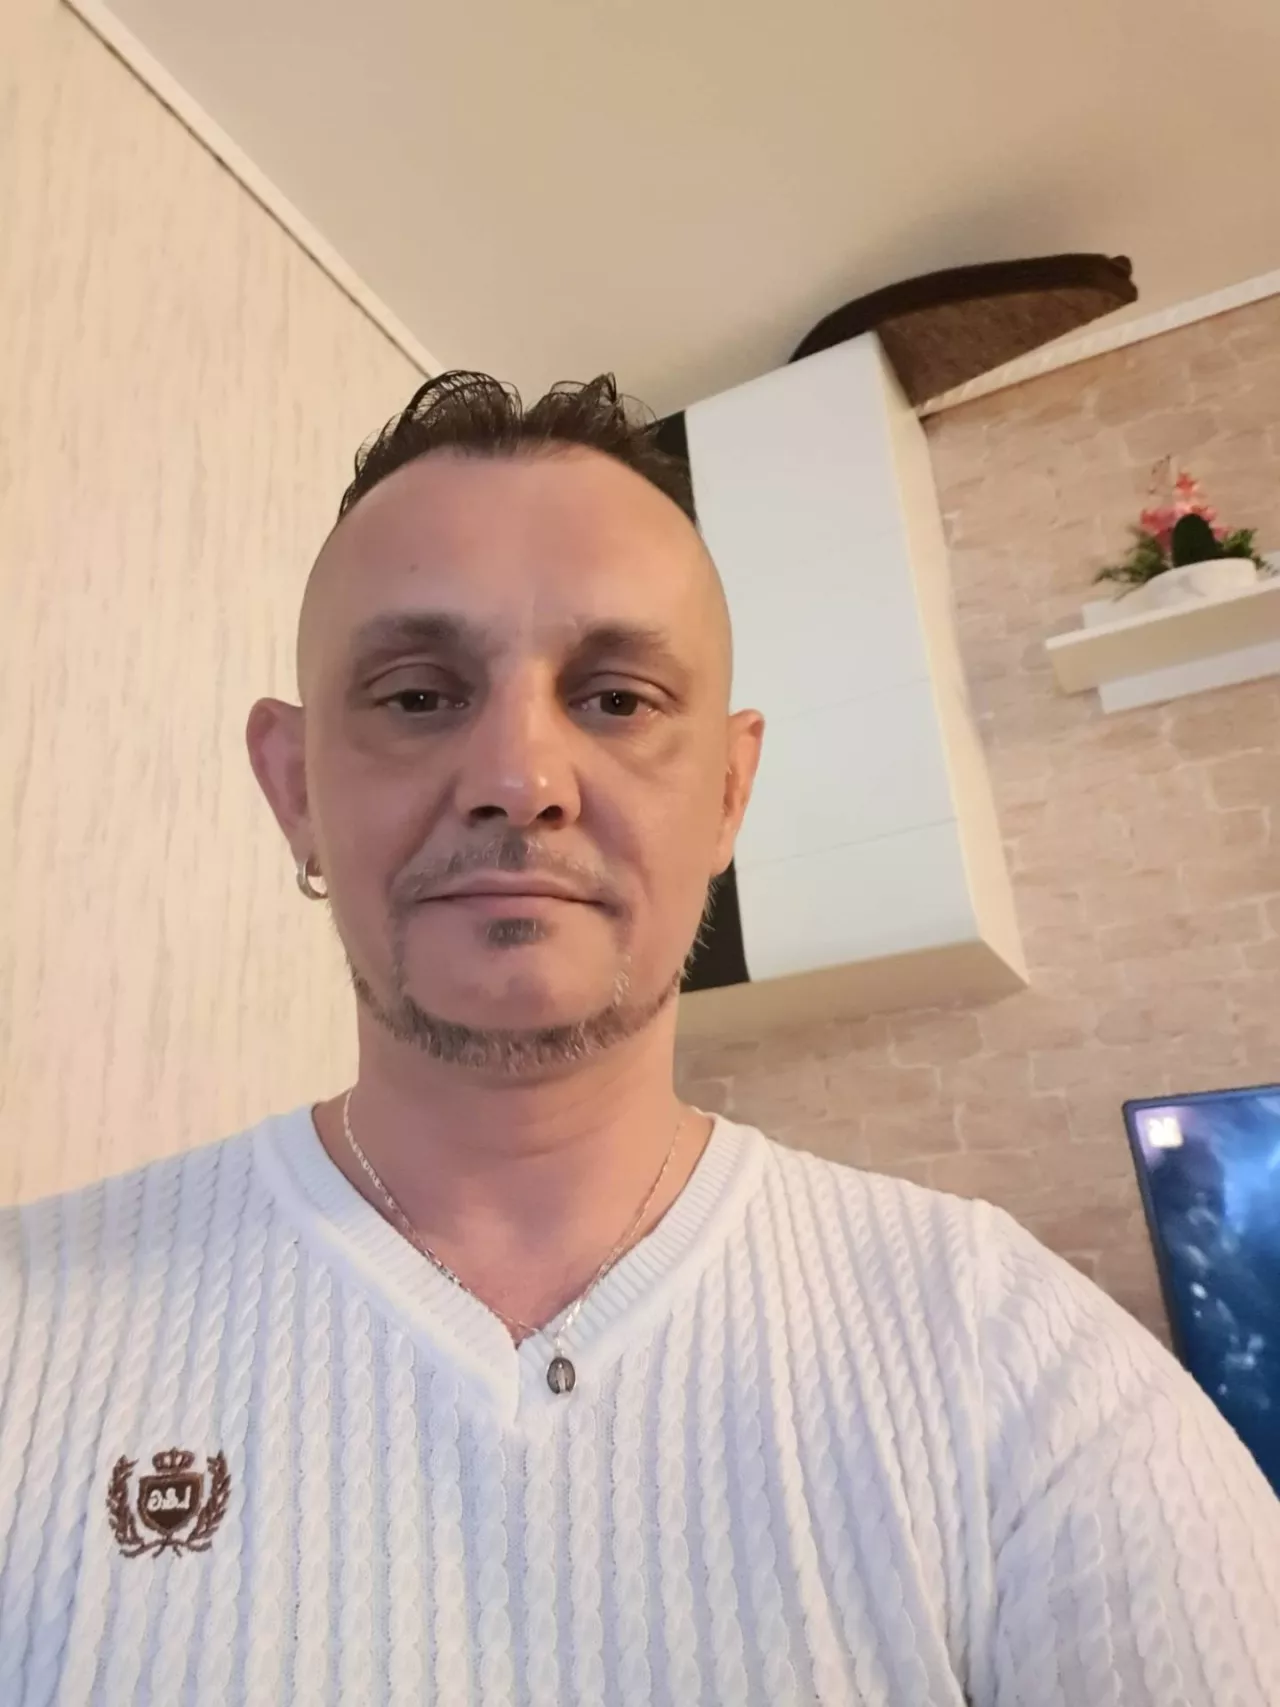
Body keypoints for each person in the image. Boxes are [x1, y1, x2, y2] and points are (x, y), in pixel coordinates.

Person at [1, 372, 1277, 1707]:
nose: (520, 780)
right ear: (293, 785)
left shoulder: (1011, 1357)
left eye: (615, 699)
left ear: (727, 790)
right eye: (418, 696)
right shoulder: (30, 1328)